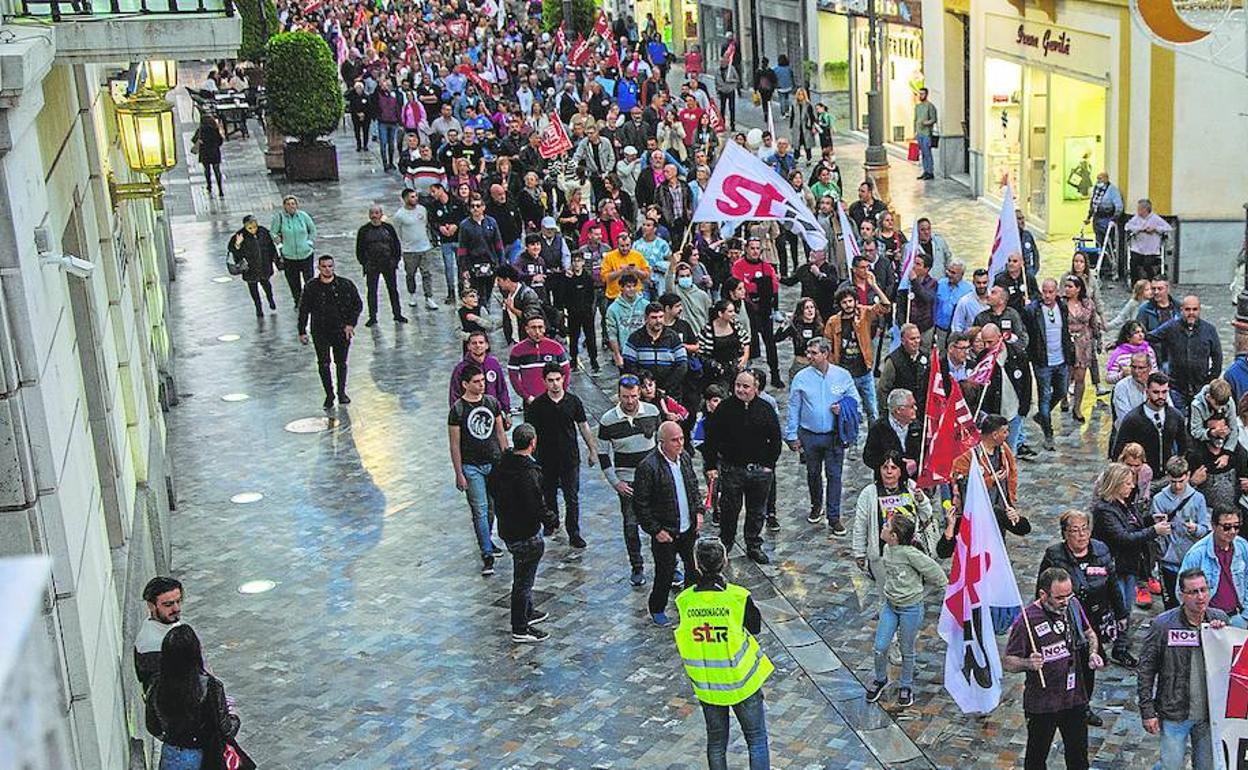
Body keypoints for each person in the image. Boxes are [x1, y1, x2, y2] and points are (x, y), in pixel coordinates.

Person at [673, 537, 773, 770]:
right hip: (742, 682)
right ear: (725, 562)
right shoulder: (738, 597)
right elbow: (755, 627)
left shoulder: (684, 601)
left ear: (696, 565)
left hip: (708, 684)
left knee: (716, 744)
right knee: (756, 739)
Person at [1003, 567, 1105, 770]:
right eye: (1059, 597)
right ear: (1043, 594)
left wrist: (1094, 652)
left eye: (1069, 595)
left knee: (1078, 757)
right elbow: (1008, 661)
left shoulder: (1073, 606)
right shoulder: (1027, 620)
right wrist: (1027, 664)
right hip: (1043, 703)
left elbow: (1090, 633)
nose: (1065, 601)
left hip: (1074, 698)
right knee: (1036, 758)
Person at [1036, 510, 1127, 727]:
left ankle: (1083, 706)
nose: (1081, 534)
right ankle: (1060, 703)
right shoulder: (1054, 555)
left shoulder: (1101, 550)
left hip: (1094, 620)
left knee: (1089, 664)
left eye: (1084, 528)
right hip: (1064, 620)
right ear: (1065, 534)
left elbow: (1112, 583)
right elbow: (1042, 589)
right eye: (1075, 530)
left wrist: (1121, 612)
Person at [1136, 567, 1228, 770]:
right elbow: (1146, 670)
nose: (1200, 596)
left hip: (1209, 714)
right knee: (1171, 765)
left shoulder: (1219, 620)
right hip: (1174, 712)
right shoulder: (1163, 626)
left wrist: (1223, 637)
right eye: (1193, 592)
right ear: (1181, 595)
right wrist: (1147, 711)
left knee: (1208, 766)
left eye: (1204, 590)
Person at [863, 515, 948, 709]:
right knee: (880, 646)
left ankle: (906, 685)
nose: (882, 527)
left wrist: (949, 592)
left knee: (906, 649)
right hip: (891, 606)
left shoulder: (911, 554)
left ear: (894, 536)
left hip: (911, 608)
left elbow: (935, 571)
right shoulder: (887, 548)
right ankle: (881, 679)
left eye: (886, 526)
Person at [1092, 462, 1169, 667]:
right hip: (1114, 567)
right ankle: (1101, 645)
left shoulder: (1126, 504)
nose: (1131, 487)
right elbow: (1123, 537)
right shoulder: (1104, 510)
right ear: (1116, 484)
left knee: (1125, 607)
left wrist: (1151, 520)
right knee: (1113, 608)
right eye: (1126, 483)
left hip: (1129, 565)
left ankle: (1120, 646)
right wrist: (1154, 531)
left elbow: (1134, 524)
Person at [703, 370, 782, 564]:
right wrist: (711, 465)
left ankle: (753, 545)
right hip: (732, 470)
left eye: (746, 386)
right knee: (729, 510)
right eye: (738, 385)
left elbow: (776, 439)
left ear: (755, 388)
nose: (741, 390)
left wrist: (769, 465)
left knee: (757, 512)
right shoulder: (725, 409)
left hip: (760, 471)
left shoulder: (765, 408)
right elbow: (711, 438)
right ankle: (726, 544)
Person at [488, 424, 556, 643]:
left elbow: (492, 489)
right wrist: (551, 520)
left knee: (523, 578)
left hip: (507, 529)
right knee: (523, 582)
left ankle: (527, 611)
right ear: (533, 442)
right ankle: (520, 627)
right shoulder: (528, 472)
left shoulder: (501, 465)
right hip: (525, 533)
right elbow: (535, 503)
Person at [785, 338, 860, 535]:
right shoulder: (801, 377)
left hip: (834, 435)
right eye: (808, 352)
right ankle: (816, 504)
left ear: (825, 354)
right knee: (813, 473)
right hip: (809, 435)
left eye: (814, 353)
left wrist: (842, 408)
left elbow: (855, 400)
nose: (809, 356)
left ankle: (834, 516)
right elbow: (794, 406)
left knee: (835, 476)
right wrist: (791, 434)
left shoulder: (842, 376)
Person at [634, 421, 704, 626]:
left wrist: (698, 512)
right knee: (664, 573)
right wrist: (655, 530)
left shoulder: (685, 459)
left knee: (693, 569)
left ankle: (690, 605)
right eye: (675, 440)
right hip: (665, 530)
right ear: (662, 442)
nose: (680, 443)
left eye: (682, 438)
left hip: (687, 527)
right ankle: (657, 607)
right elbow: (641, 504)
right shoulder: (648, 467)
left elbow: (692, 486)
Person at [145, 625, 240, 770]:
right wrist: (234, 718)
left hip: (170, 755)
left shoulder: (157, 684)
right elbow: (224, 728)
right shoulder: (210, 686)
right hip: (203, 757)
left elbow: (152, 726)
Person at [598, 375, 663, 587]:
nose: (630, 401)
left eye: (633, 396)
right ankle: (637, 566)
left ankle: (668, 567)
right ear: (619, 395)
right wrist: (615, 482)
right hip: (627, 481)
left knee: (661, 525)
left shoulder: (652, 412)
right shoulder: (608, 420)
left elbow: (661, 444)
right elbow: (603, 454)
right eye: (625, 397)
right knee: (631, 525)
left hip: (652, 480)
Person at [526, 363, 596, 549]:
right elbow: (530, 433)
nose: (555, 384)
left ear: (563, 379)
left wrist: (592, 449)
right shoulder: (537, 406)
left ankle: (574, 532)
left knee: (571, 497)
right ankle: (552, 522)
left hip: (570, 458)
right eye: (551, 380)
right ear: (544, 382)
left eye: (558, 379)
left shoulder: (573, 401)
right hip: (546, 459)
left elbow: (583, 427)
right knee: (548, 494)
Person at [448, 363, 509, 576]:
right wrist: (459, 472)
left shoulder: (492, 403)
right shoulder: (458, 410)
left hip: (493, 462)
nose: (481, 385)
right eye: (476, 382)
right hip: (471, 465)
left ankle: (489, 541)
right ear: (465, 384)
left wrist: (507, 459)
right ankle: (486, 552)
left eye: (483, 381)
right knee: (480, 509)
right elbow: (454, 444)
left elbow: (501, 434)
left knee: (492, 507)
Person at [853, 451, 939, 592]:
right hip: (881, 556)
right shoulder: (869, 493)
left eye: (893, 468)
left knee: (910, 593)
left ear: (900, 471)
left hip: (911, 553)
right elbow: (860, 525)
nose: (889, 472)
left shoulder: (911, 487)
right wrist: (859, 552)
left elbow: (926, 515)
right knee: (885, 595)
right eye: (885, 467)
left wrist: (922, 500)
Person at [298, 255, 363, 410]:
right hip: (320, 330)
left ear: (334, 267)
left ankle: (341, 392)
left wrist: (350, 324)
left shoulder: (345, 285)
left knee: (341, 362)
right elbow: (304, 310)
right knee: (323, 363)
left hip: (341, 330)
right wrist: (302, 331)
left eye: (330, 266)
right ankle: (329, 394)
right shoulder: (311, 287)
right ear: (319, 268)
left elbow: (357, 305)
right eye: (324, 266)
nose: (327, 269)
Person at [825, 283, 891, 423]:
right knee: (851, 413)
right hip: (845, 375)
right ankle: (851, 441)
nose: (848, 305)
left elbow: (885, 306)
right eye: (844, 302)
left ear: (856, 301)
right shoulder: (833, 322)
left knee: (872, 411)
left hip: (865, 372)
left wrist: (874, 286)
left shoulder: (864, 313)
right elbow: (828, 347)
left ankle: (874, 441)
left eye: (850, 301)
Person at [1152, 457, 1210, 609]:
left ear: (1188, 476)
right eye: (1173, 481)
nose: (1177, 486)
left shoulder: (1198, 498)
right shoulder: (1159, 499)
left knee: (1192, 602)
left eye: (1181, 481)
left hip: (1191, 560)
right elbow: (1155, 531)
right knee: (1171, 603)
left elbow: (1205, 528)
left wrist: (1196, 528)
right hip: (1168, 560)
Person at [1146, 296, 1221, 414]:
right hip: (1176, 386)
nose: (1191, 313)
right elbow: (1150, 337)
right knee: (1177, 421)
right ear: (1181, 310)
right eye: (1187, 309)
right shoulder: (1171, 327)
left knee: (1198, 421)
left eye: (1194, 309)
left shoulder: (1209, 330)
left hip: (1200, 387)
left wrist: (1210, 380)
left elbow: (1217, 357)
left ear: (1199, 310)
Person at [1025, 278, 1074, 449]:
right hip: (1043, 361)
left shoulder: (1062, 306)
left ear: (1056, 292)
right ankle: (1048, 433)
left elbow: (1065, 331)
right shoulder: (1033, 310)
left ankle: (1042, 416)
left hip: (1061, 359)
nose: (1047, 295)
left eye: (1050, 292)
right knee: (1044, 396)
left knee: (1061, 391)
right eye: (1044, 291)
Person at [1179, 509, 1248, 628]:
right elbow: (1182, 591)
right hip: (1208, 621)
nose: (1232, 531)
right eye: (1227, 527)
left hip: (1237, 617)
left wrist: (1245, 616)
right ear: (1214, 525)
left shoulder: (1243, 546)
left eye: (1236, 527)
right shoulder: (1197, 553)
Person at [1111, 372, 1188, 476]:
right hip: (1140, 477)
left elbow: (1184, 446)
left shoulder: (1175, 416)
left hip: (1168, 477)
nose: (1161, 396)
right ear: (1147, 392)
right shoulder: (1133, 419)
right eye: (1156, 392)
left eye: (1164, 392)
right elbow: (1118, 451)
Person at [355, 204, 408, 326]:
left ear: (381, 214)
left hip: (388, 265)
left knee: (393, 290)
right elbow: (359, 249)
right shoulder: (363, 230)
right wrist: (365, 263)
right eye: (372, 213)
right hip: (372, 266)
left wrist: (395, 261)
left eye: (377, 213)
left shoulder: (388, 228)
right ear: (369, 215)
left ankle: (397, 314)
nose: (374, 216)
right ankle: (372, 317)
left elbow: (396, 245)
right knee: (372, 292)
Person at [622, 301, 689, 397]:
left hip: (670, 393)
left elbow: (682, 365)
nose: (658, 321)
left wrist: (665, 387)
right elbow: (629, 365)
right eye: (654, 317)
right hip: (644, 393)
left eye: (661, 317)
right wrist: (644, 383)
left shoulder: (673, 337)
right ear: (646, 318)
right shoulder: (635, 338)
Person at [508, 313, 571, 410]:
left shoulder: (556, 347)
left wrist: (561, 393)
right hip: (531, 402)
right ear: (527, 329)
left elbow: (566, 372)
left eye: (540, 327)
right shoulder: (517, 350)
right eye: (533, 328)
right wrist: (527, 397)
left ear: (545, 328)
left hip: (554, 400)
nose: (537, 331)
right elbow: (513, 377)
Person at [1062, 275, 1102, 424]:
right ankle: (1063, 397)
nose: (1067, 289)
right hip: (1066, 342)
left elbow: (1093, 323)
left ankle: (1077, 407)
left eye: (1070, 286)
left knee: (1080, 377)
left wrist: (1098, 340)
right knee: (1066, 375)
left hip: (1083, 343)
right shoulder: (1061, 304)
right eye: (1066, 286)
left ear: (1078, 288)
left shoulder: (1087, 304)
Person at [135, 576, 184, 695]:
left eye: (178, 601)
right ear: (151, 606)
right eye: (168, 604)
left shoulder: (167, 622)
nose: (176, 608)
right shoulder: (151, 645)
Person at [392, 188, 439, 310]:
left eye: (416, 196)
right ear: (405, 199)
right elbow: (398, 232)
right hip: (410, 250)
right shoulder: (399, 215)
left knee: (427, 273)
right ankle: (412, 294)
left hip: (424, 247)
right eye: (412, 197)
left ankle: (429, 297)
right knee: (410, 274)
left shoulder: (422, 210)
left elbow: (426, 225)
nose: (415, 199)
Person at [269, 195, 317, 307]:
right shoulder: (279, 218)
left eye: (293, 203)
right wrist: (280, 245)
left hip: (306, 254)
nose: (291, 206)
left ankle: (310, 300)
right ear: (284, 206)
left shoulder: (303, 216)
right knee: (293, 282)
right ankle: (298, 301)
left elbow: (312, 230)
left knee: (309, 280)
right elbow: (273, 232)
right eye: (288, 204)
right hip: (289, 256)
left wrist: (309, 243)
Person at [227, 215, 278, 318]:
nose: (253, 229)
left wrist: (275, 259)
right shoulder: (240, 235)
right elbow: (232, 250)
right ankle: (258, 308)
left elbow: (271, 247)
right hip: (250, 268)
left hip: (264, 265)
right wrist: (237, 244)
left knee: (266, 284)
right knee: (253, 288)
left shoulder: (263, 232)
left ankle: (270, 299)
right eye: (250, 227)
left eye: (254, 226)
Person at [449, 331, 510, 414]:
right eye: (474, 343)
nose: (478, 345)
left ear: (487, 345)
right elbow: (454, 394)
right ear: (468, 346)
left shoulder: (493, 364)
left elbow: (502, 389)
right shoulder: (460, 369)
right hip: (471, 413)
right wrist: (457, 415)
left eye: (481, 342)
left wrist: (506, 411)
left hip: (494, 412)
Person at [863, 389, 922, 474]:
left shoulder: (919, 426)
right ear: (899, 410)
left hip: (914, 479)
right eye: (912, 406)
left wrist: (916, 462)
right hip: (888, 480)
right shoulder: (878, 428)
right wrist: (893, 464)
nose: (915, 409)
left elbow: (928, 453)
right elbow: (869, 458)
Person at [878, 324, 930, 420]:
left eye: (918, 338)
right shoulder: (893, 361)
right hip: (901, 413)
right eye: (912, 339)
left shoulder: (926, 355)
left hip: (921, 410)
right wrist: (885, 413)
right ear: (902, 340)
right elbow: (883, 389)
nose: (916, 342)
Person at [606, 272, 651, 369]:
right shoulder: (613, 309)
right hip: (625, 352)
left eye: (634, 286)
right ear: (621, 288)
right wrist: (617, 355)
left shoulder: (646, 305)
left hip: (645, 351)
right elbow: (612, 334)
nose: (631, 289)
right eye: (628, 286)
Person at [1124, 198, 1173, 281]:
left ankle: (1151, 281)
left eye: (1139, 209)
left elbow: (1168, 228)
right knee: (1133, 263)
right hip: (1138, 248)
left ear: (1145, 210)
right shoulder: (1136, 219)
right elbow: (1127, 226)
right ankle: (1135, 283)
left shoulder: (1156, 219)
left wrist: (1155, 228)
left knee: (1148, 264)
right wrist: (1140, 229)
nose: (1138, 211)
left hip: (1151, 249)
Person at [1085, 171, 1124, 252]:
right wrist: (1089, 217)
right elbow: (1093, 203)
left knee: (1107, 242)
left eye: (1100, 178)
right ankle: (1099, 258)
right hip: (1097, 219)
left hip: (1107, 219)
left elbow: (1119, 206)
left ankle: (1107, 260)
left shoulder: (1112, 190)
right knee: (1098, 241)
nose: (1098, 180)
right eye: (1097, 179)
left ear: (1106, 179)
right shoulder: (1096, 189)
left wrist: (1114, 219)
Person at [192, 113, 224, 197]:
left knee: (207, 170)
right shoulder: (215, 129)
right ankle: (220, 189)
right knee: (217, 171)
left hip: (205, 153)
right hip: (214, 152)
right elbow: (220, 141)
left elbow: (193, 139)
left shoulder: (200, 130)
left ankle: (209, 185)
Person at [951, 269, 991, 333]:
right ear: (973, 282)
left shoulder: (995, 298)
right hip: (971, 338)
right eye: (978, 283)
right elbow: (957, 325)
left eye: (984, 282)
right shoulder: (964, 301)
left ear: (989, 281)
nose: (981, 286)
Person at [913, 88, 938, 180]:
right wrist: (914, 131)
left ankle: (930, 172)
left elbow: (934, 119)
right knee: (923, 153)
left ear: (926, 95)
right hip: (919, 133)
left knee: (927, 153)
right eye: (920, 94)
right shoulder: (917, 107)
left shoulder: (930, 106)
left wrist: (926, 123)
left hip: (927, 133)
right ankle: (925, 171)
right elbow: (915, 119)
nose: (921, 96)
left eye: (922, 94)